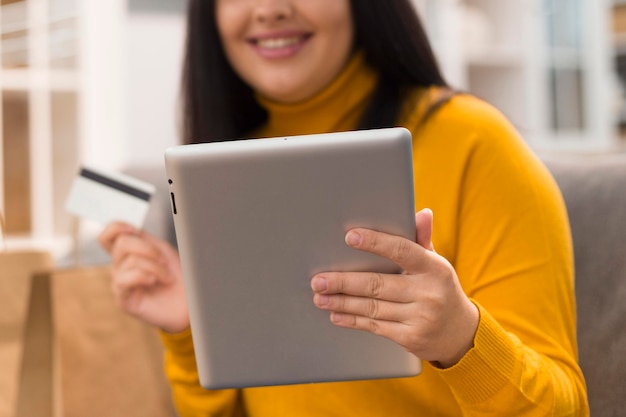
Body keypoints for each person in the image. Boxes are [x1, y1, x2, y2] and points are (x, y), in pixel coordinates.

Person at [98, 0, 589, 415]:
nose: (269, 10)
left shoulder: (476, 143)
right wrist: (191, 332)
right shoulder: (218, 172)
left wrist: (461, 339)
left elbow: (566, 405)